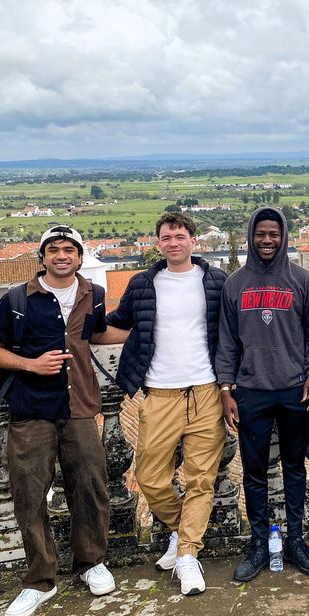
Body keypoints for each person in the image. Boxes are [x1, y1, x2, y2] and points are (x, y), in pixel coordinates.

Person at [0, 226, 122, 616]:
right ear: (42, 257)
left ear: (79, 257)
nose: (62, 256)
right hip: (31, 409)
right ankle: (40, 579)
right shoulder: (16, 300)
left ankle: (91, 562)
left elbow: (96, 333)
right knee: (29, 493)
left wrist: (146, 332)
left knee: (92, 485)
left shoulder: (92, 295)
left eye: (69, 250)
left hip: (79, 404)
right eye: (54, 250)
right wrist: (31, 364)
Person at [107, 211, 227, 596]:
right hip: (158, 394)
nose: (173, 243)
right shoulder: (143, 283)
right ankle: (181, 531)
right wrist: (69, 332)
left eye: (180, 236)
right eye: (166, 237)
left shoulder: (216, 282)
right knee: (150, 478)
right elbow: (118, 324)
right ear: (158, 244)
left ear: (194, 240)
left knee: (201, 479)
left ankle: (189, 554)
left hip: (206, 392)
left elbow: (233, 330)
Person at [217, 207, 309, 582]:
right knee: (253, 471)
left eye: (274, 234)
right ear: (251, 236)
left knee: (296, 467)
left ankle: (296, 541)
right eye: (260, 234)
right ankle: (257, 545)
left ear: (284, 237)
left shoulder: (302, 281)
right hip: (250, 391)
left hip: (295, 391)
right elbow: (226, 342)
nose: (267, 240)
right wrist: (225, 388)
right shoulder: (235, 284)